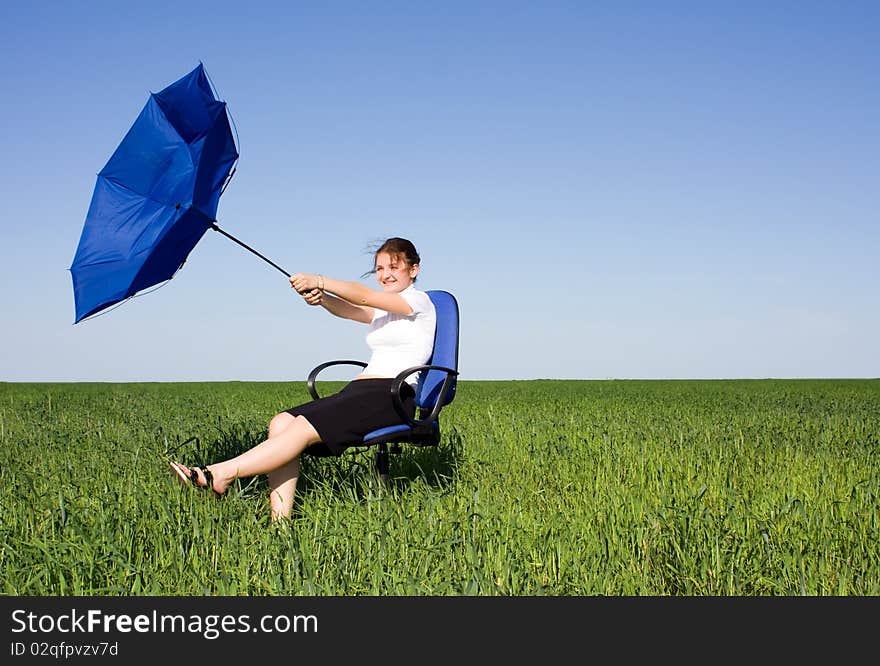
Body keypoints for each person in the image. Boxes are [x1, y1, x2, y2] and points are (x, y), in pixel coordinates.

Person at [170, 237, 437, 520]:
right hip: (361, 390)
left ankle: (218, 474)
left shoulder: (418, 301)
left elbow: (363, 296)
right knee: (281, 422)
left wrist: (319, 279)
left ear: (414, 269)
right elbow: (353, 310)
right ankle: (280, 523)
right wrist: (321, 298)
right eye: (380, 268)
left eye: (394, 267)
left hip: (393, 394)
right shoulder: (387, 309)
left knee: (300, 428)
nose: (385, 275)